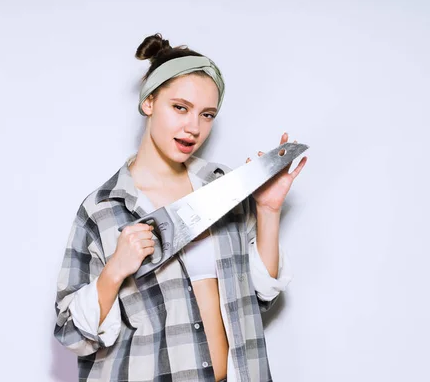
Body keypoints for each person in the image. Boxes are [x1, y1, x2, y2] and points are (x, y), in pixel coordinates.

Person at [54, 33, 307, 382]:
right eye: (180, 108)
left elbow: (259, 298)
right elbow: (71, 334)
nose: (194, 128)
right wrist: (115, 271)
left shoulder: (223, 188)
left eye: (207, 115)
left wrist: (267, 210)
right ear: (149, 102)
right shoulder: (104, 208)